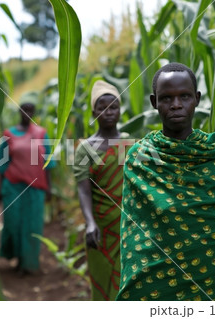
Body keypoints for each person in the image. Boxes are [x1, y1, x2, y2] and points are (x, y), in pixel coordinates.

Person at [116, 62, 215, 301]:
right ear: (154, 102)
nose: (176, 105)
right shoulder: (140, 157)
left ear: (197, 99)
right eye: (166, 98)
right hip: (158, 285)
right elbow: (135, 238)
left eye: (184, 96)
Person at [74, 80, 131, 300]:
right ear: (93, 112)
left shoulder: (129, 144)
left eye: (114, 107)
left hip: (128, 229)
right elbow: (84, 190)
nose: (109, 112)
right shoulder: (85, 149)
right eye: (102, 107)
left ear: (120, 110)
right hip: (100, 230)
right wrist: (90, 223)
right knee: (103, 285)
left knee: (127, 284)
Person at [0, 102, 55, 275]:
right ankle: (17, 257)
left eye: (30, 110)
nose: (27, 113)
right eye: (24, 110)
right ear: (19, 112)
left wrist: (49, 188)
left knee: (32, 226)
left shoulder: (41, 134)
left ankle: (27, 263)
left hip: (35, 189)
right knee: (14, 223)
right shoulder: (9, 135)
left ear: (34, 112)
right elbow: (2, 163)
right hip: (13, 186)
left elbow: (48, 163)